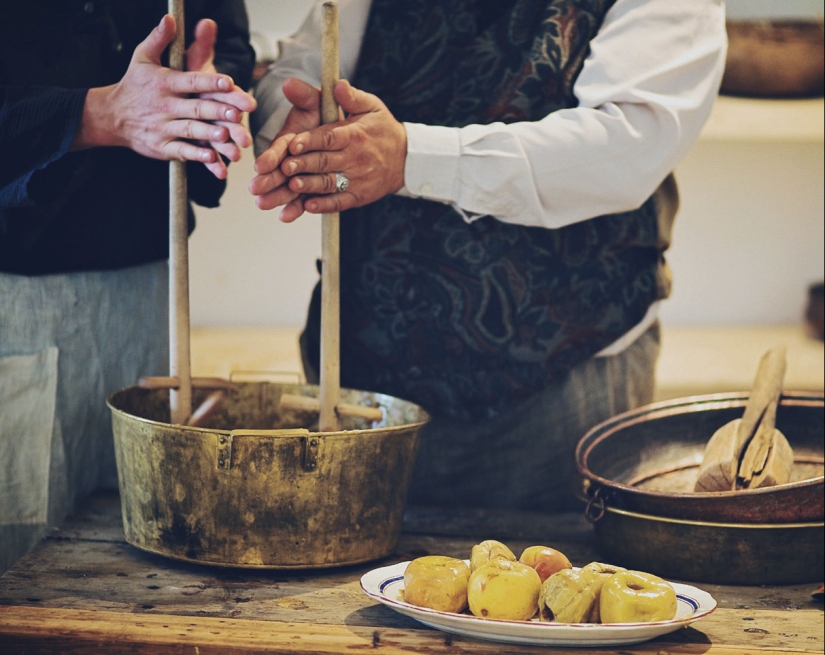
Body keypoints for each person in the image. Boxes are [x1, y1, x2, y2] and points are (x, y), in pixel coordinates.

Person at [250, 0, 727, 512]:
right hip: (360, 373)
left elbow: (628, 142)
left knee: (553, 585)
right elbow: (316, 50)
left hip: (556, 387)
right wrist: (294, 109)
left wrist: (410, 158)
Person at [0, 1, 256, 574]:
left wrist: (207, 88)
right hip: (14, 306)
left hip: (152, 293)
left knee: (144, 570)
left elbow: (229, 38)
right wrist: (96, 114)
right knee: (20, 581)